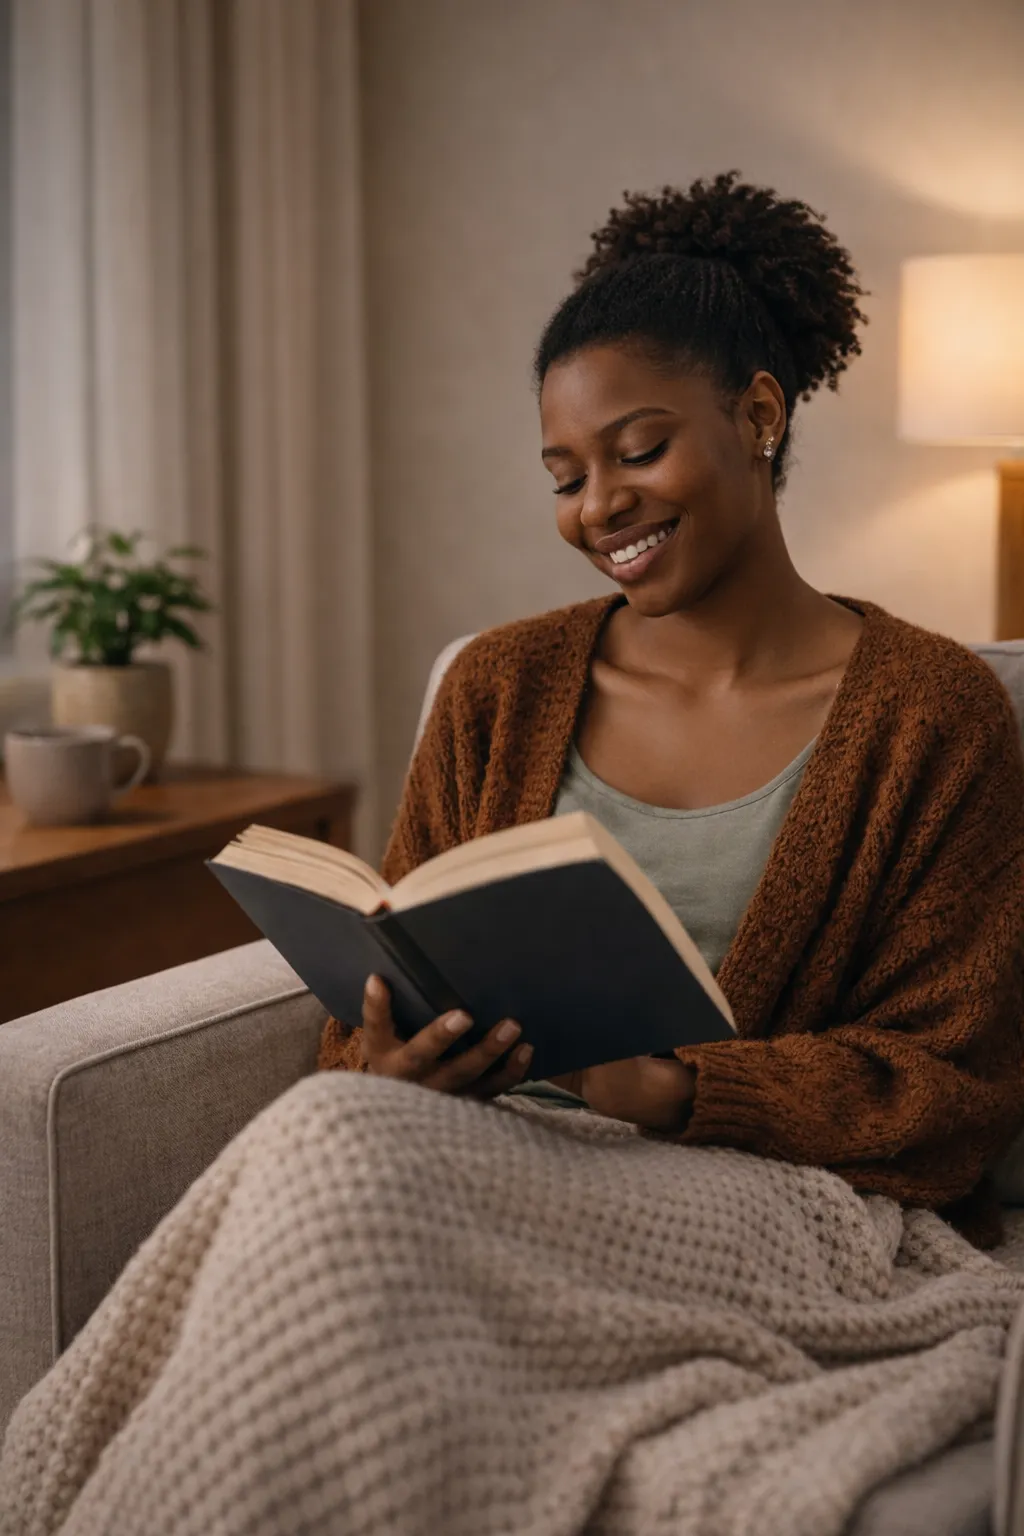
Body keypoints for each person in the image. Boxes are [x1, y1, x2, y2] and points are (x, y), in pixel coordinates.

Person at [319, 170, 1024, 1245]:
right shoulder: (496, 689)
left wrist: (685, 1092)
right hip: (467, 1174)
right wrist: (382, 1063)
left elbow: (951, 1086)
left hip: (748, 1212)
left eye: (638, 451)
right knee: (304, 1180)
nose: (600, 507)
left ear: (757, 414)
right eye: (565, 476)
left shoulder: (931, 714)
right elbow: (392, 978)